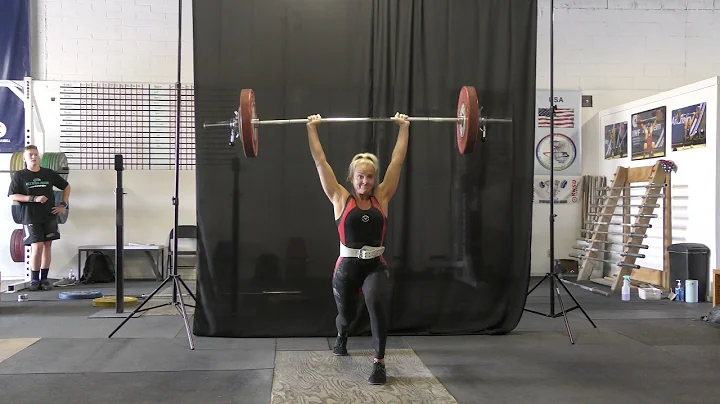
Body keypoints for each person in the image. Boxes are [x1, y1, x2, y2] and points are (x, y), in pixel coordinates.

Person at [306, 112, 409, 385]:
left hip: (375, 265)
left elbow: (397, 161)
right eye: (361, 177)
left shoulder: (382, 197)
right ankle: (342, 336)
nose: (366, 182)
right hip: (347, 268)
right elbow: (320, 161)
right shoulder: (340, 197)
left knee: (376, 302)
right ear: (351, 177)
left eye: (371, 177)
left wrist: (404, 128)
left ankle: (379, 363)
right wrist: (312, 128)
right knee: (346, 316)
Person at [8, 145, 71, 291]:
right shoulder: (20, 175)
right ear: (24, 158)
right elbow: (13, 195)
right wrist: (33, 198)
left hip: (49, 215)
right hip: (30, 216)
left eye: (36, 154)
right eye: (30, 155)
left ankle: (44, 279)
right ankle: (34, 279)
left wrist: (63, 204)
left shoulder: (48, 173)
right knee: (37, 246)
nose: (33, 157)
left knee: (47, 246)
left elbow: (66, 186)